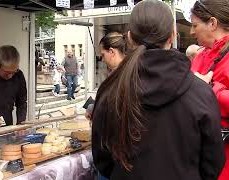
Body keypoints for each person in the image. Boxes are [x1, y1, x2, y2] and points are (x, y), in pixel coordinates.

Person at [92, 1, 225, 179]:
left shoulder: (110, 90)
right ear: (173, 35)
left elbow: (102, 158)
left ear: (130, 37)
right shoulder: (201, 92)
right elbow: (213, 162)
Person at [189, 0, 229, 179]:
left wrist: (211, 90)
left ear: (212, 23)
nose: (191, 32)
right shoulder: (201, 56)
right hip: (198, 157)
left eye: (195, 25)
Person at [85, 32, 128, 120]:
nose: (103, 60)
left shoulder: (122, 76)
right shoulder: (123, 72)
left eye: (103, 55)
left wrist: (92, 109)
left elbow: (113, 109)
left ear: (111, 51)